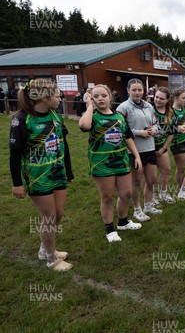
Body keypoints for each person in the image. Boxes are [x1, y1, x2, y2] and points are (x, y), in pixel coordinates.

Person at [10, 78, 74, 271]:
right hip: (37, 176)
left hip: (57, 172)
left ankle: (44, 249)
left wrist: (69, 170)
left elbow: (64, 143)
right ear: (45, 98)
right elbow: (14, 154)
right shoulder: (22, 119)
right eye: (56, 95)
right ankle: (51, 259)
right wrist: (17, 183)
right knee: (49, 216)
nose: (60, 97)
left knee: (58, 214)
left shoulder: (56, 115)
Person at [79, 85, 143, 242]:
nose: (100, 98)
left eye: (103, 95)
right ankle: (110, 229)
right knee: (107, 197)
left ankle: (123, 222)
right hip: (101, 164)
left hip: (121, 161)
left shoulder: (119, 117)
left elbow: (128, 137)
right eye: (96, 96)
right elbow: (83, 126)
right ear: (92, 99)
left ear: (110, 97)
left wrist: (136, 156)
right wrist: (89, 106)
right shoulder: (92, 116)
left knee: (126, 194)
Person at [116, 79, 160, 222]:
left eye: (139, 90)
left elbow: (156, 124)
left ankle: (148, 204)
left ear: (143, 91)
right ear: (128, 90)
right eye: (134, 90)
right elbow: (119, 130)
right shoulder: (123, 108)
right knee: (136, 181)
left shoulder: (149, 106)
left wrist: (154, 130)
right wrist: (139, 132)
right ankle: (137, 209)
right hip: (134, 151)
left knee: (152, 179)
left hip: (150, 148)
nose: (137, 92)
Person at [152, 87, 176, 204]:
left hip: (161, 147)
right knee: (150, 176)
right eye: (156, 97)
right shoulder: (149, 110)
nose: (157, 100)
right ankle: (151, 197)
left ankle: (163, 194)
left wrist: (163, 149)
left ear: (167, 100)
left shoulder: (170, 114)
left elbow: (170, 134)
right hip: (147, 148)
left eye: (161, 98)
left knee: (166, 170)